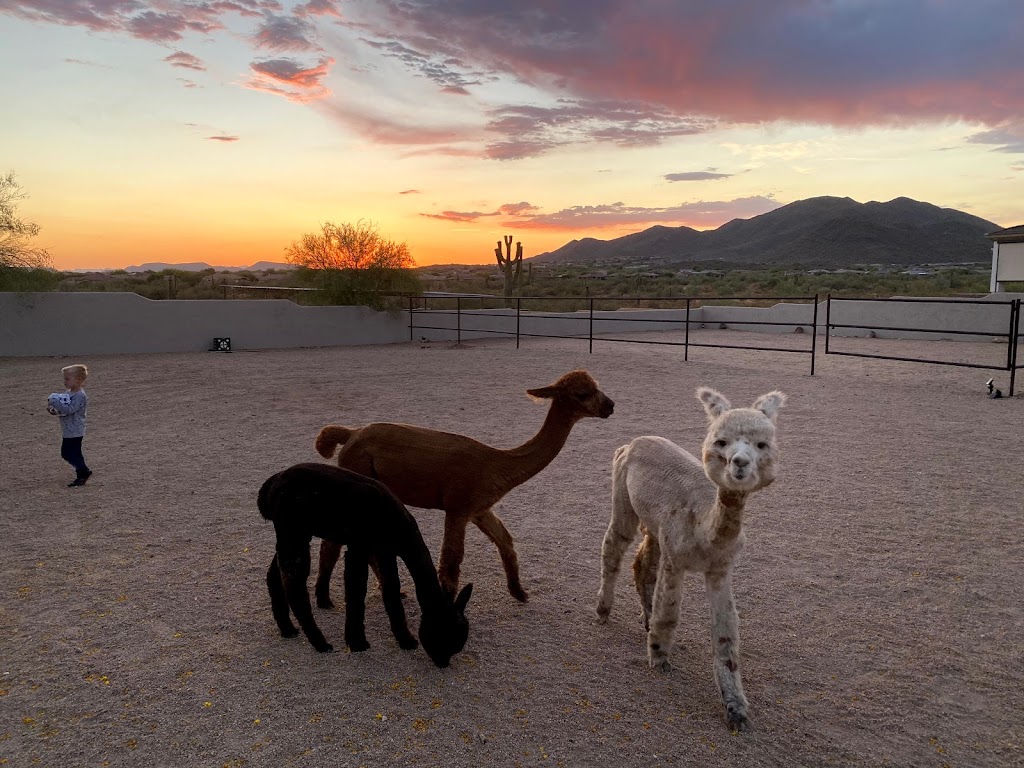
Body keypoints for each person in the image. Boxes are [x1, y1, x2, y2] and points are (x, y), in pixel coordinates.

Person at [47, 364, 92, 487]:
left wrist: (54, 401)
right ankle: (81, 475)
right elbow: (63, 409)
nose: (65, 382)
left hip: (75, 430)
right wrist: (53, 410)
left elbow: (69, 409)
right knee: (75, 453)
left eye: (67, 379)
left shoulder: (80, 395)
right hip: (68, 429)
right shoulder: (69, 393)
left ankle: (84, 471)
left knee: (67, 453)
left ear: (78, 380)